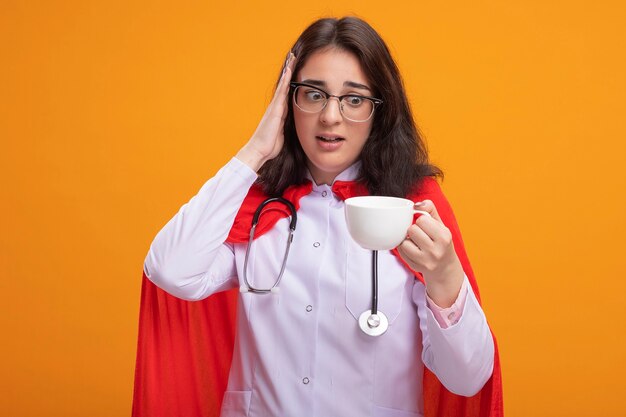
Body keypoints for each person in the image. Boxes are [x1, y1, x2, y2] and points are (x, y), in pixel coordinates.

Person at [134, 16, 502, 417]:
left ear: (381, 110)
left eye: (354, 99)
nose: (330, 116)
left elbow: (468, 377)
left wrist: (446, 276)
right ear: (288, 103)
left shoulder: (413, 210)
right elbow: (169, 271)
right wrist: (254, 152)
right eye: (313, 94)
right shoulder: (258, 207)